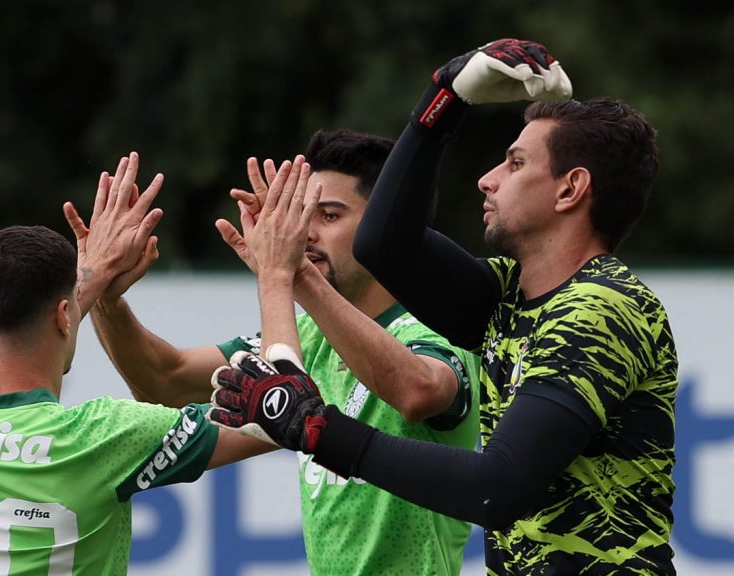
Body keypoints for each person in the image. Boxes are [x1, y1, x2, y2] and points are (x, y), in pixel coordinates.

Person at [209, 39, 679, 575]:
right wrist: (444, 97)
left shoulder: (602, 307)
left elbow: (497, 489)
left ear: (570, 190)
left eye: (516, 162)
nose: (488, 178)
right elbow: (383, 245)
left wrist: (319, 430)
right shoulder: (510, 294)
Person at [63, 130, 481, 575]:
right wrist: (106, 295)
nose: (305, 232)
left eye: (330, 215)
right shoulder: (308, 336)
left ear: (387, 228)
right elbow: (163, 381)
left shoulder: (436, 326)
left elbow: (419, 391)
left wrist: (290, 274)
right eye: (302, 215)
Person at [0, 154, 268, 575]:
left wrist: (95, 274)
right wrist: (278, 273)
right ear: (62, 315)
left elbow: (54, 321)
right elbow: (276, 413)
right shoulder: (101, 437)